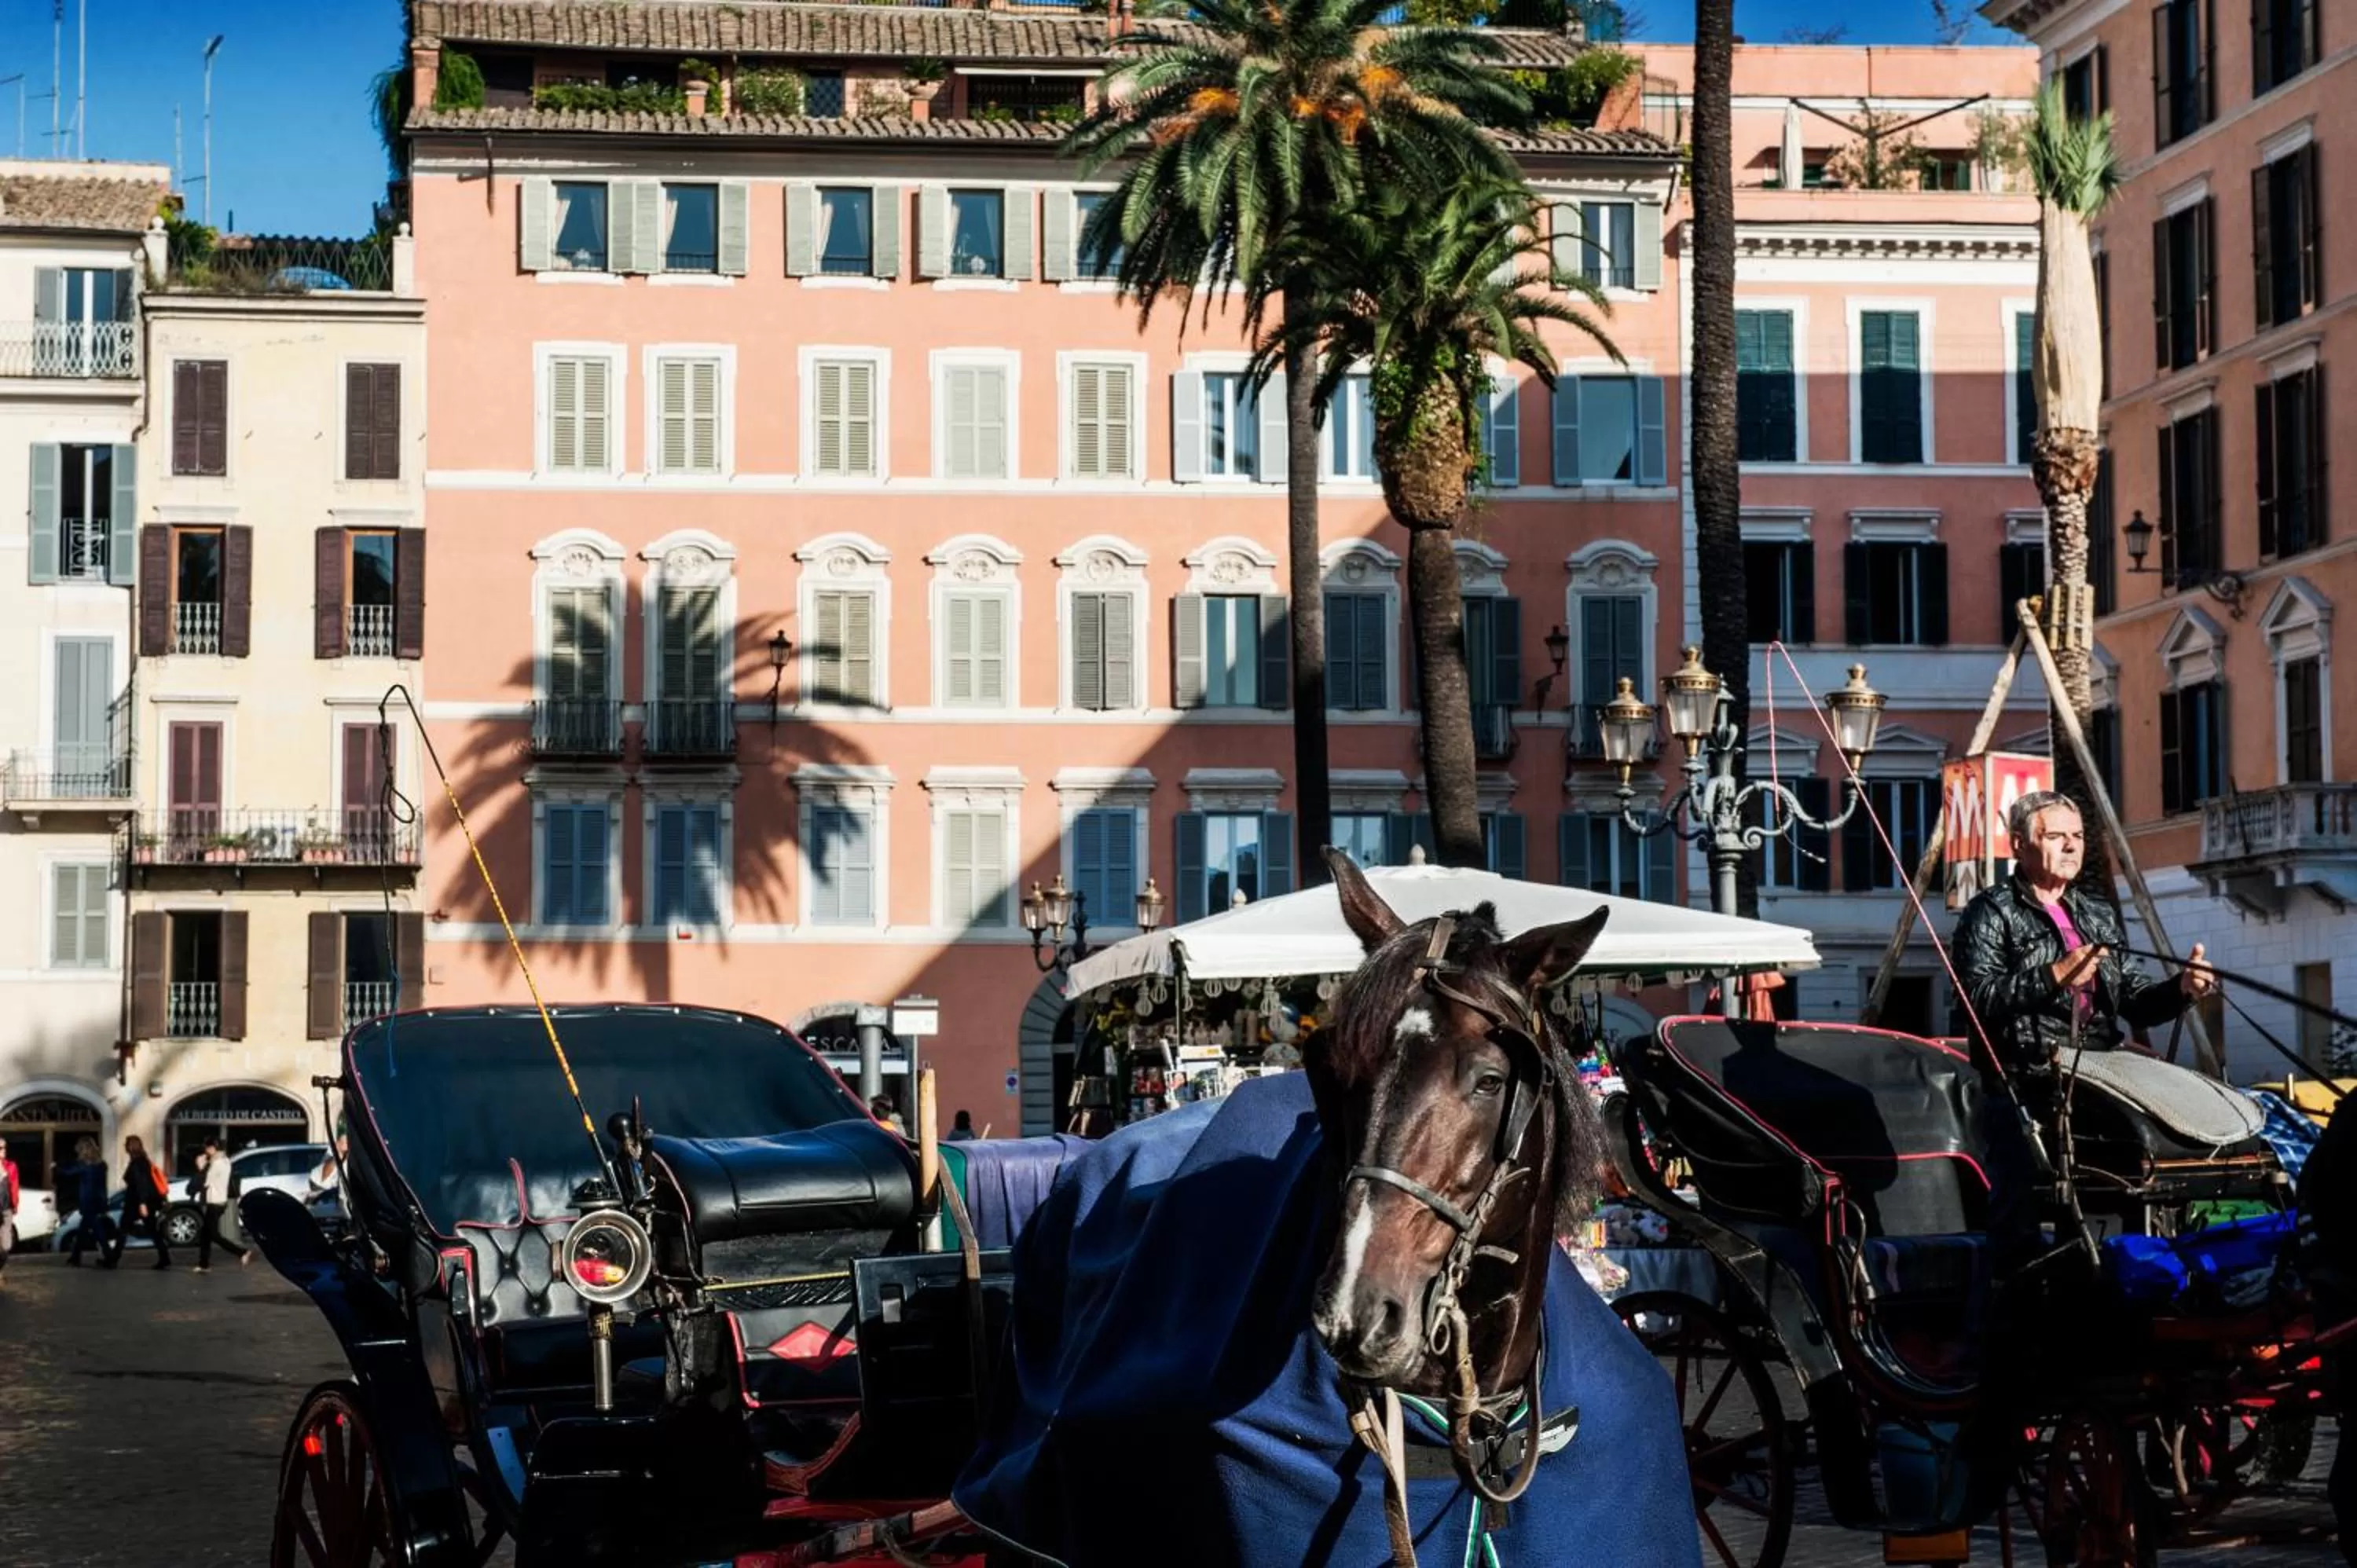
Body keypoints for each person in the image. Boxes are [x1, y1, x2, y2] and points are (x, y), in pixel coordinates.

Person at [1953, 791, 2216, 1255]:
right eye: (2056, 836)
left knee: (2124, 1191)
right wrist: (2053, 975)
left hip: (2098, 1080)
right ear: (2019, 844)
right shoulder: (1990, 912)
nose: (2072, 846)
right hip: (2026, 1085)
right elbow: (1978, 997)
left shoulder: (2096, 913)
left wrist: (2182, 989)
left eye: (2077, 836)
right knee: (2019, 1213)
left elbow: (2135, 1002)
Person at [104, 1135, 171, 1269]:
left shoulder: (137, 1163)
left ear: (131, 1147)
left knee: (125, 1229)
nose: (124, 1146)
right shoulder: (143, 1161)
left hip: (137, 1203)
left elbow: (141, 1184)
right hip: (143, 1202)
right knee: (150, 1229)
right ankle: (164, 1257)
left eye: (126, 1144)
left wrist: (142, 1203)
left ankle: (113, 1259)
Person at [192, 1137, 251, 1273]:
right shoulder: (224, 1161)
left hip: (215, 1201)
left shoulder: (217, 1163)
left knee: (213, 1234)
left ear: (212, 1148)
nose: (205, 1151)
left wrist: (200, 1166)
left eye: (207, 1148)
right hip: (218, 1200)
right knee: (205, 1234)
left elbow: (206, 1182)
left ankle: (241, 1252)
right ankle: (204, 1264)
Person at [59, 1134, 109, 1265]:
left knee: (97, 1229)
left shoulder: (84, 1165)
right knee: (83, 1229)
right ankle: (76, 1256)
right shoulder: (102, 1165)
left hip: (88, 1201)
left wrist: (57, 1166)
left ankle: (109, 1255)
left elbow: (68, 1172)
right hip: (99, 1199)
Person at [0, 1135, 18, 1285]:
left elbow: (14, 1186)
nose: (3, 1151)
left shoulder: (11, 1166)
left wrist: (15, 1205)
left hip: (6, 1209)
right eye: (0, 1148)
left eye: (4, 1148)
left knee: (6, 1245)